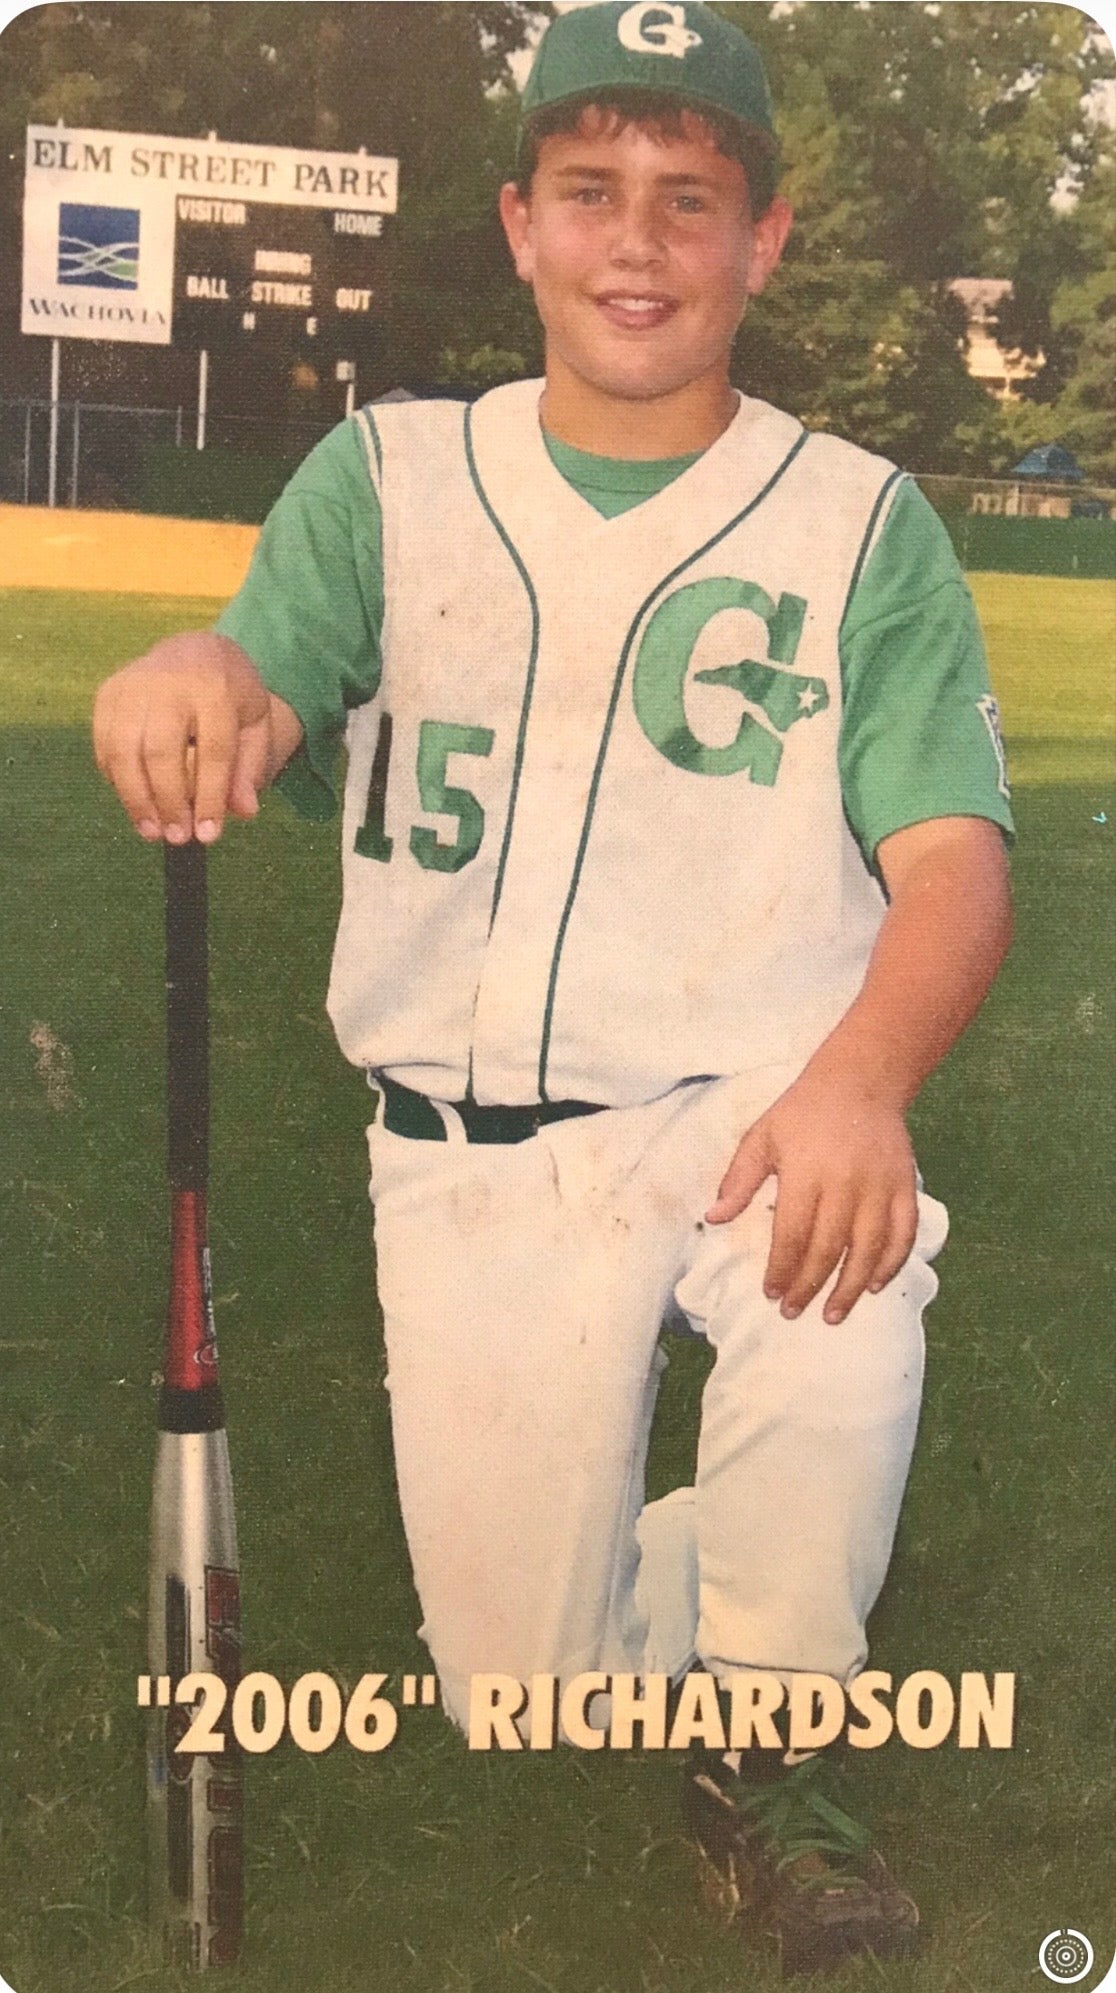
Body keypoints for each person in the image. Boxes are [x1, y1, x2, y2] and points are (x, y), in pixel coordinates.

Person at [93, 2, 1014, 1974]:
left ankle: (777, 1736)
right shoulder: (390, 476)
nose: (638, 240)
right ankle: (734, 1580)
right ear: (518, 225)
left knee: (849, 1265)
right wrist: (199, 677)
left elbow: (952, 860)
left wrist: (859, 1082)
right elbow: (259, 688)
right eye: (591, 191)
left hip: (744, 1099)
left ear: (763, 246)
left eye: (693, 200)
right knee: (533, 1688)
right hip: (469, 1160)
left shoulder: (862, 523)